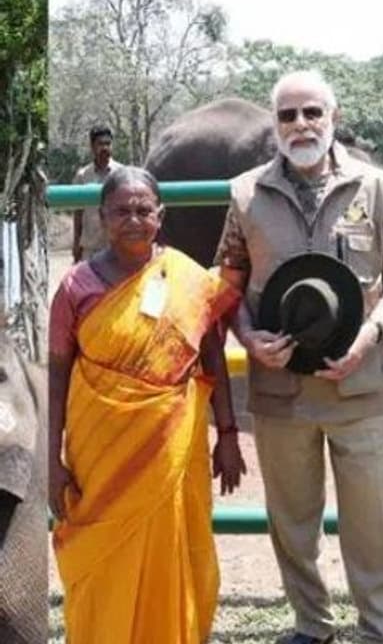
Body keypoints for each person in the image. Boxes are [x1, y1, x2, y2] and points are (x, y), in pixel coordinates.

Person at [213, 70, 383, 644]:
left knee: (373, 520)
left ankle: (382, 628)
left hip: (358, 384)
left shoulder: (375, 187)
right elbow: (228, 282)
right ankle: (312, 624)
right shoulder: (245, 194)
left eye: (312, 112)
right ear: (274, 124)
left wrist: (371, 334)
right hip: (280, 391)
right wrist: (248, 338)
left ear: (333, 116)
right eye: (288, 115)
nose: (300, 125)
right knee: (293, 521)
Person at [48, 166, 245, 643]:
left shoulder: (187, 277)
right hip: (99, 451)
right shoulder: (75, 287)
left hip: (172, 446)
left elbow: (213, 355)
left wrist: (228, 433)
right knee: (103, 555)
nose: (133, 220)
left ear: (161, 215)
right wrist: (51, 459)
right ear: (102, 217)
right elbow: (57, 374)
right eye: (121, 211)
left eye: (143, 210)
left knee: (174, 547)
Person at [70, 125, 124, 262]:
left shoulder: (122, 173)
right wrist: (76, 243)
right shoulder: (82, 176)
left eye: (108, 143)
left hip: (116, 247)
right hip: (90, 248)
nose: (105, 148)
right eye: (100, 144)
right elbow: (78, 213)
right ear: (92, 146)